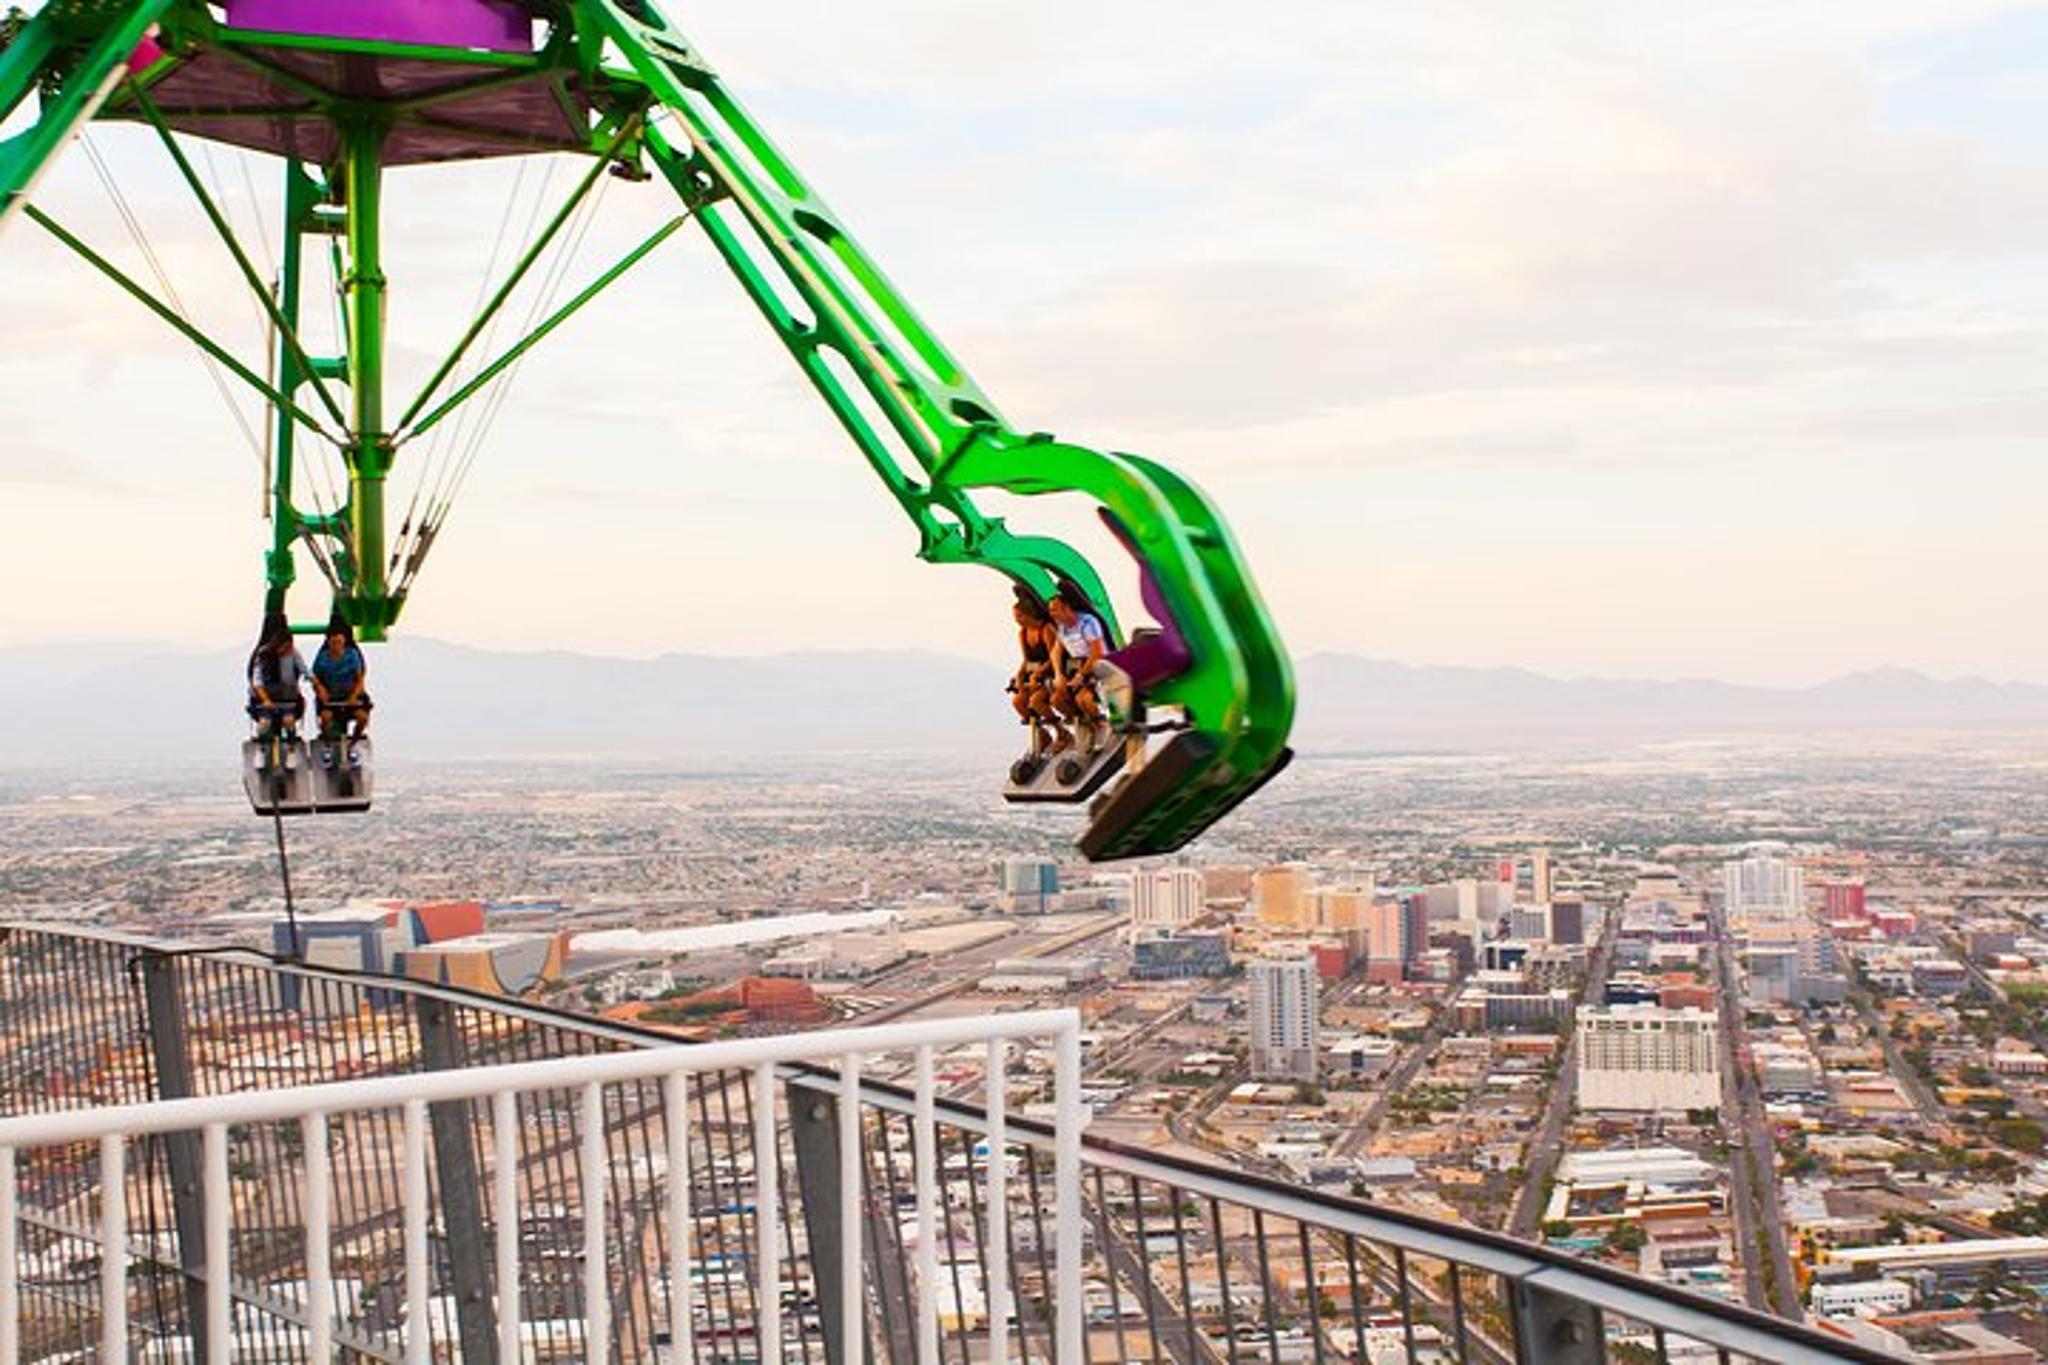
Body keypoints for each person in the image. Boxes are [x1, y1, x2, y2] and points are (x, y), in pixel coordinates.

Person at [1047, 583, 1131, 754]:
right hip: (1078, 667)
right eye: (1050, 610)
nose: (1052, 614)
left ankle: (1101, 724)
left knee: (1083, 699)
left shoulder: (1087, 622)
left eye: (1055, 609)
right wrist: (1058, 674)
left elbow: (1096, 653)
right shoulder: (1062, 628)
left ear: (1067, 608)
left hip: (1098, 666)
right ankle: (1086, 725)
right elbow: (1056, 651)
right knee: (1057, 700)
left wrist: (1082, 674)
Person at [1008, 589, 1063, 755]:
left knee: (1036, 701)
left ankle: (1062, 732)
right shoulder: (1023, 633)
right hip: (1034, 676)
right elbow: (1027, 660)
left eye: (1019, 616)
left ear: (1028, 614)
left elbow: (1054, 656)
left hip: (1050, 674)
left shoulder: (1046, 629)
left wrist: (1039, 672)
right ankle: (1043, 734)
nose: (1017, 620)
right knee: (1018, 701)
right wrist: (1019, 675)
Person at [311, 611, 372, 750]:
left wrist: (354, 696)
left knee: (362, 718)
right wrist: (320, 690)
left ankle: (353, 742)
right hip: (331, 699)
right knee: (325, 717)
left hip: (350, 697)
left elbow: (360, 679)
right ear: (329, 643)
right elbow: (315, 679)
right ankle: (327, 741)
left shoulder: (352, 655)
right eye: (333, 643)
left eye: (339, 642)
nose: (336, 646)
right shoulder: (322, 658)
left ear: (344, 642)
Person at [246, 611, 308, 739]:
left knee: (288, 721)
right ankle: (264, 740)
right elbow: (257, 682)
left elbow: (305, 670)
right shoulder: (262, 656)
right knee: (265, 723)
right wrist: (266, 700)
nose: (288, 651)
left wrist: (317, 685)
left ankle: (291, 740)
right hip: (265, 702)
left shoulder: (293, 654)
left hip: (287, 701)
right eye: (285, 648)